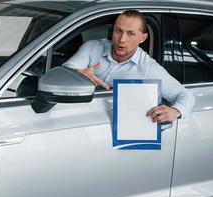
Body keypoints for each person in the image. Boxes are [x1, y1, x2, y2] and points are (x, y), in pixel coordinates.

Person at [63, 10, 195, 123]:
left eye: (130, 33)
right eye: (118, 31)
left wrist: (175, 111)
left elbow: (185, 95)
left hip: (117, 128)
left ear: (143, 38)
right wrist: (78, 75)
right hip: (76, 115)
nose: (122, 39)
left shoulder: (148, 68)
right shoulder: (92, 48)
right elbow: (62, 73)